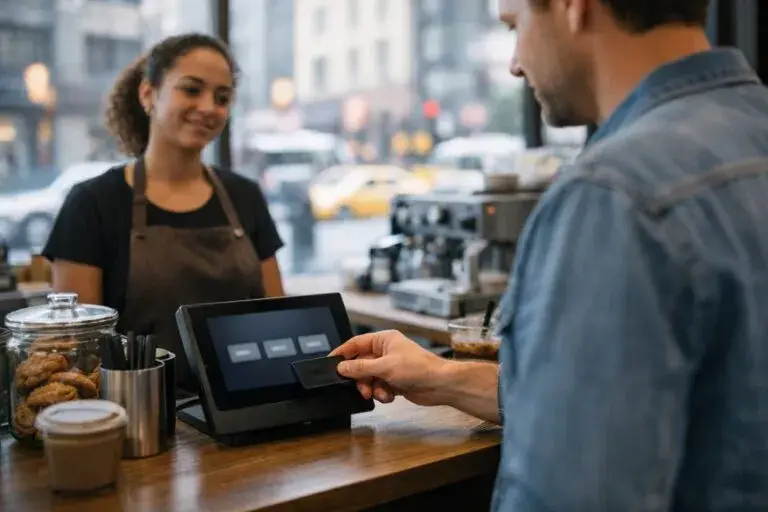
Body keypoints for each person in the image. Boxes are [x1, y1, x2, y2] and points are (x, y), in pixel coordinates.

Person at [331, 1, 768, 510]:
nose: (515, 63)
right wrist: (441, 377)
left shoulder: (612, 196)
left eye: (516, 25)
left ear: (571, 7)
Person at [43, 33, 285, 392]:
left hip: (247, 405)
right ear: (148, 94)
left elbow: (278, 318)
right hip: (141, 419)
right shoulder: (92, 203)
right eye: (191, 89)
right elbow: (79, 354)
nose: (208, 107)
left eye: (222, 97)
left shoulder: (245, 196)